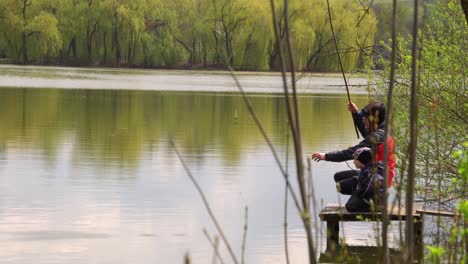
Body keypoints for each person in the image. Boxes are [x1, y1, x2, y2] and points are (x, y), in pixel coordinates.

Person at [311, 101, 395, 193]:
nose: (363, 120)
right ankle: (366, 196)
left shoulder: (378, 136)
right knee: (338, 177)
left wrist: (325, 156)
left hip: (379, 178)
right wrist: (356, 113)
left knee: (341, 187)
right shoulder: (383, 129)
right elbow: (366, 132)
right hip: (377, 173)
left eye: (365, 117)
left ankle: (370, 201)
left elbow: (352, 152)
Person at [339, 147, 384, 212]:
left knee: (349, 206)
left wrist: (358, 191)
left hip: (373, 201)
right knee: (348, 182)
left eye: (355, 159)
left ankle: (375, 208)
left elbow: (367, 190)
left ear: (362, 160)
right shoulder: (373, 167)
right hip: (378, 197)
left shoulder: (367, 173)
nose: (353, 162)